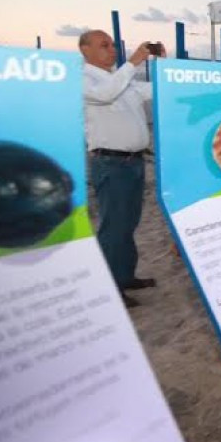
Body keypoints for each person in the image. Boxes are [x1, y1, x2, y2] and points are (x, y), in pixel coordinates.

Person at [81, 30, 161, 308]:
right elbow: (105, 95)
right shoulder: (84, 79)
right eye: (104, 45)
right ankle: (109, 287)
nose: (111, 49)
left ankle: (124, 276)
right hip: (110, 164)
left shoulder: (120, 78)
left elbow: (153, 91)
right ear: (85, 50)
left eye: (112, 45)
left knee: (128, 224)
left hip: (134, 163)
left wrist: (163, 67)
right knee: (114, 227)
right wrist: (134, 61)